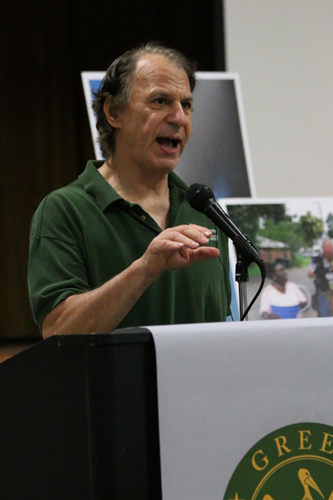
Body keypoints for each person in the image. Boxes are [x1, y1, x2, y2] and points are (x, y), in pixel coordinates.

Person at [28, 42, 231, 339]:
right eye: (160, 101)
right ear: (114, 112)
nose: (178, 118)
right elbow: (59, 332)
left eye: (186, 105)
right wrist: (145, 269)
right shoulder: (65, 211)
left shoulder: (206, 213)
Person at [307, 238, 333, 317]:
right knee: (325, 317)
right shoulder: (316, 259)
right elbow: (309, 273)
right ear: (323, 249)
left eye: (330, 251)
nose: (328, 254)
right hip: (323, 292)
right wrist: (312, 274)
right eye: (326, 252)